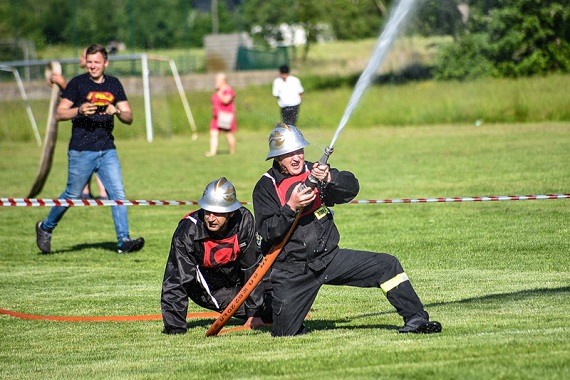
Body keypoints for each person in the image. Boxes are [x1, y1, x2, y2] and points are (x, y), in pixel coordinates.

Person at [252, 123, 442, 337]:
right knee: (285, 334)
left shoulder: (315, 171)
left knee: (387, 265)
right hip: (293, 271)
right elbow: (268, 233)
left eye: (299, 150)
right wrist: (291, 207)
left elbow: (351, 189)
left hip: (330, 259)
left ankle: (416, 319)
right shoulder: (265, 187)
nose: (296, 157)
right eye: (289, 154)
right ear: (277, 157)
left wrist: (330, 179)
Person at [35, 44, 144, 254]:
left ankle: (124, 241)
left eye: (97, 62)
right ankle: (46, 227)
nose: (92, 66)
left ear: (106, 63)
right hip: (81, 150)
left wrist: (118, 111)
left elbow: (129, 117)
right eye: (90, 62)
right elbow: (59, 113)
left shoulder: (114, 84)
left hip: (107, 149)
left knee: (118, 193)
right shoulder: (77, 84)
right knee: (73, 194)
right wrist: (79, 110)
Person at [161, 177, 272, 335]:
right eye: (207, 211)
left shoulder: (244, 220)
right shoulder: (188, 231)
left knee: (281, 305)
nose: (211, 218)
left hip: (237, 275)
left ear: (231, 213)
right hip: (210, 287)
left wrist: (255, 313)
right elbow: (176, 281)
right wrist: (175, 328)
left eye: (218, 213)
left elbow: (251, 267)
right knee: (270, 311)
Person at [48, 48, 107, 201]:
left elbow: (80, 98)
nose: (81, 59)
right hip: (82, 129)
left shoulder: (91, 81)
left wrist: (62, 84)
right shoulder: (81, 79)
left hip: (93, 128)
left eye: (83, 56)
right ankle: (87, 192)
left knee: (97, 157)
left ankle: (101, 193)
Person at [206, 72, 237, 157]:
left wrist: (219, 93)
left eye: (217, 80)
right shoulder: (217, 90)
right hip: (216, 116)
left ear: (223, 81)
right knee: (213, 133)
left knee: (228, 134)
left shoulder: (228, 90)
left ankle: (232, 152)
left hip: (225, 117)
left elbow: (226, 100)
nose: (216, 82)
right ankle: (212, 152)